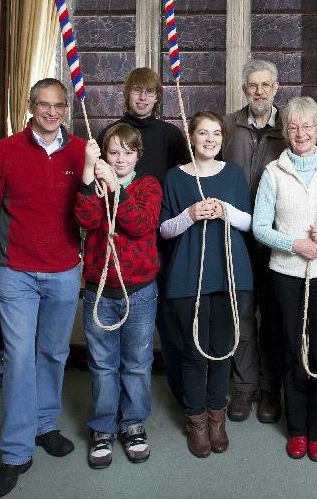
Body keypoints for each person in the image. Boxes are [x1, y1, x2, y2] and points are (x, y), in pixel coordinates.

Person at [0, 78, 85, 498]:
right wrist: (11, 248)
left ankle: (44, 425)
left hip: (63, 270)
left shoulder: (80, 150)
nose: (52, 112)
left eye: (59, 106)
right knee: (20, 359)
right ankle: (15, 453)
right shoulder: (4, 152)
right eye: (44, 105)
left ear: (66, 108)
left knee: (53, 353)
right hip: (16, 272)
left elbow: (93, 204)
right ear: (30, 106)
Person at [253, 96, 317, 462]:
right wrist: (293, 243)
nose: (301, 133)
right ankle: (297, 429)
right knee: (293, 350)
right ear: (286, 131)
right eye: (294, 127)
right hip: (287, 274)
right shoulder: (273, 172)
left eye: (308, 126)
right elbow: (260, 227)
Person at [160, 111, 254, 458]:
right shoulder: (175, 177)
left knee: (222, 351)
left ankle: (218, 417)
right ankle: (197, 420)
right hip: (189, 276)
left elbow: (249, 222)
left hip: (230, 273)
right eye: (203, 133)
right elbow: (164, 229)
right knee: (194, 352)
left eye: (216, 133)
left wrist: (225, 210)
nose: (210, 139)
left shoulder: (233, 175)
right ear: (192, 137)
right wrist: (191, 215)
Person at [99, 67, 190, 405]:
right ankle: (118, 398)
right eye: (136, 90)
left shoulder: (170, 135)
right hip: (120, 241)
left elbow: (186, 180)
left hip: (162, 239)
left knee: (169, 319)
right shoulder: (109, 133)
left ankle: (182, 391)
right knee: (121, 325)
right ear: (127, 94)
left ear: (157, 97)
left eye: (148, 92)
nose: (142, 97)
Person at [75, 123, 162, 469]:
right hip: (100, 289)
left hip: (138, 290)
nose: (120, 158)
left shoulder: (148, 185)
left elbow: (140, 223)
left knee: (137, 363)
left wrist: (117, 190)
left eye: (128, 152)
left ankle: (133, 423)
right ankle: (102, 427)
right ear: (104, 155)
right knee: (101, 364)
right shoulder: (94, 184)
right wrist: (87, 172)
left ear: (138, 155)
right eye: (113, 152)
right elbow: (84, 218)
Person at [222, 59, 287, 423]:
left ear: (276, 87)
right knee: (242, 316)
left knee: (275, 317)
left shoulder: (289, 128)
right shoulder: (228, 126)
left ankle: (269, 389)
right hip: (237, 236)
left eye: (266, 85)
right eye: (253, 86)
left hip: (276, 237)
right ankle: (244, 388)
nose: (259, 91)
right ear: (245, 89)